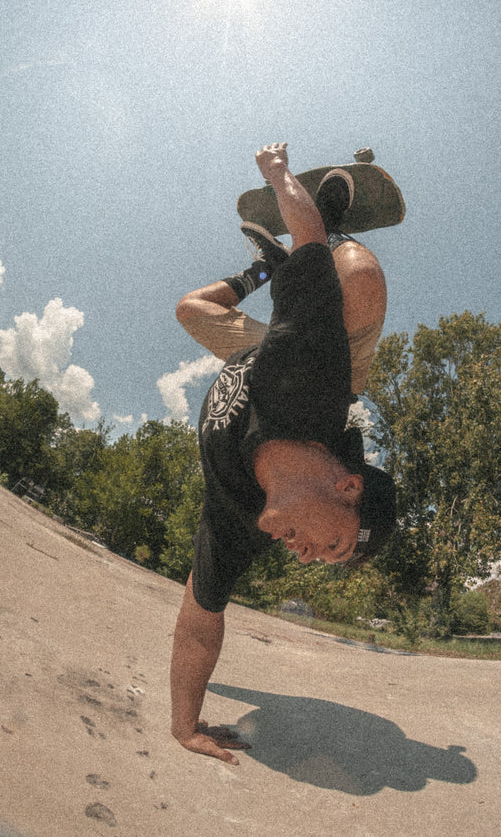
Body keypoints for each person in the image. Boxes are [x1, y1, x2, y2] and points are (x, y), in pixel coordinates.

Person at [170, 142, 396, 764]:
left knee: (193, 309)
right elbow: (318, 256)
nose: (307, 556)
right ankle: (322, 217)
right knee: (354, 273)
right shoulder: (315, 383)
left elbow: (198, 621)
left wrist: (184, 726)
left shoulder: (240, 521)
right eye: (332, 545)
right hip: (313, 365)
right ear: (348, 487)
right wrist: (277, 174)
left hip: (262, 356)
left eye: (321, 559)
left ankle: (264, 270)